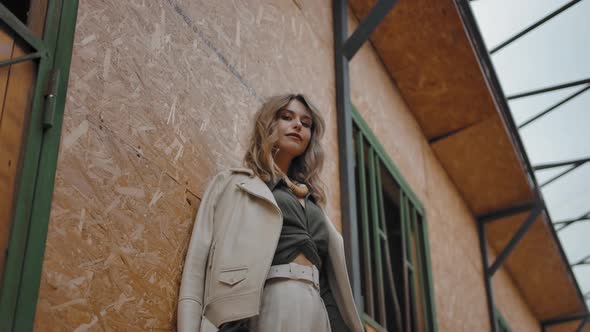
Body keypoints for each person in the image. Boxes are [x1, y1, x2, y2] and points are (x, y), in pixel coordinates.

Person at [177, 94, 363, 332]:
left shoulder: (314, 201)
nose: (297, 125)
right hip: (267, 302)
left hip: (316, 310)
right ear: (269, 124)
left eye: (306, 123)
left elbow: (329, 281)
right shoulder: (233, 185)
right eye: (287, 117)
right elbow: (196, 266)